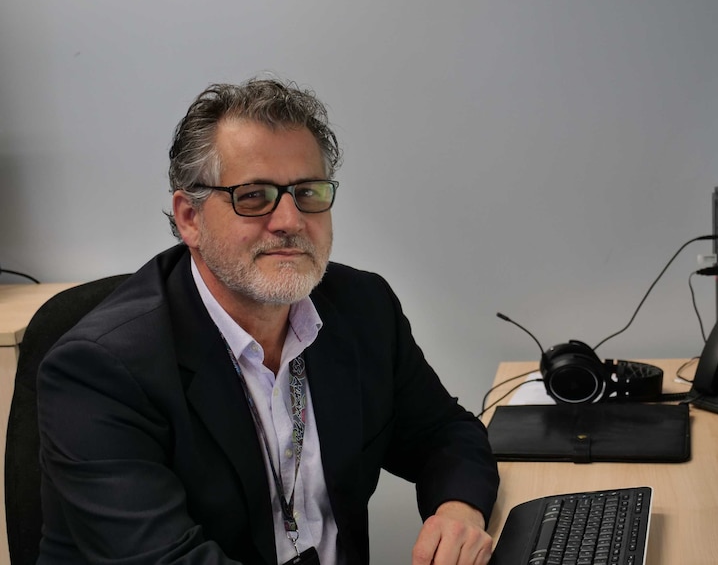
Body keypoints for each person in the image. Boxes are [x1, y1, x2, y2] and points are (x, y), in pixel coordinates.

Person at [37, 77, 499, 565]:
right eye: (254, 196)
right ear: (189, 218)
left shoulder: (363, 308)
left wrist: (459, 511)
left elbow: (446, 433)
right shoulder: (99, 370)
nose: (290, 221)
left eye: (308, 192)